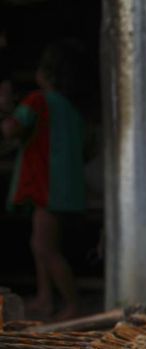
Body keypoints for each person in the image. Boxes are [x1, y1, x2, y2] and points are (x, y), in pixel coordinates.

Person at [1, 41, 86, 320]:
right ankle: (45, 299)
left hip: (45, 187)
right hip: (65, 190)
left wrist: (4, 108)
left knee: (43, 247)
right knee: (42, 244)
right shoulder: (71, 109)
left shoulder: (37, 101)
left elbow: (12, 130)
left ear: (44, 73)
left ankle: (72, 304)